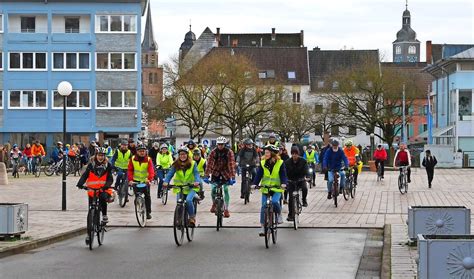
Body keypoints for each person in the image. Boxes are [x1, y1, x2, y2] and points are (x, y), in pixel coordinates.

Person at [76, 147, 114, 245]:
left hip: (103, 189)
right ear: (96, 155)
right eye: (99, 155)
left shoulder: (108, 165)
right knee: (90, 212)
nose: (100, 157)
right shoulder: (91, 165)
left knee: (102, 199)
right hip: (92, 190)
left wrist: (105, 186)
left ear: (104, 156)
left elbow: (110, 179)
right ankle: (89, 234)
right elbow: (85, 176)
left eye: (102, 155)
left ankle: (104, 215)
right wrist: (80, 184)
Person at [252, 145, 288, 236]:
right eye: (265, 152)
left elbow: (283, 174)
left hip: (277, 188)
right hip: (265, 188)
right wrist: (254, 184)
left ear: (272, 154)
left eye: (267, 152)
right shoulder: (263, 162)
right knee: (264, 206)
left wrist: (284, 183)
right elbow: (259, 174)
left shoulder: (280, 163)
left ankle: (279, 215)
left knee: (275, 201)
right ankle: (263, 227)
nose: (265, 154)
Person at [163, 147, 201, 226]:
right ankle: (179, 219)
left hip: (191, 187)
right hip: (179, 188)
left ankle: (192, 218)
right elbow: (170, 174)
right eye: (180, 154)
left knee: (188, 200)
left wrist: (197, 181)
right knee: (179, 203)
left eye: (184, 154)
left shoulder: (193, 163)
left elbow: (196, 174)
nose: (182, 156)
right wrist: (166, 182)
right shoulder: (176, 164)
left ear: (187, 155)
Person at [204, 137, 236, 218]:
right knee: (213, 189)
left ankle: (226, 209)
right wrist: (206, 176)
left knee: (225, 189)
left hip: (226, 173)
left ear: (224, 144)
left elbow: (231, 164)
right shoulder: (213, 152)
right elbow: (210, 164)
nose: (220, 146)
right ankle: (214, 204)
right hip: (216, 173)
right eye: (219, 144)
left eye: (222, 144)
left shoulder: (229, 152)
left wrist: (232, 177)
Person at [128, 144, 155, 219]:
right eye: (140, 151)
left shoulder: (148, 159)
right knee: (137, 196)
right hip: (135, 181)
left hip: (145, 181)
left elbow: (151, 170)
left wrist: (149, 179)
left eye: (143, 151)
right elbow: (130, 170)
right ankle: (138, 206)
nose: (142, 152)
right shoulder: (133, 159)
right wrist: (130, 180)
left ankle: (148, 212)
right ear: (137, 152)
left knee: (147, 196)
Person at [285, 146, 309, 221]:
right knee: (291, 198)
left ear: (298, 154)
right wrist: (286, 180)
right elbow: (285, 172)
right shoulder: (287, 162)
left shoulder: (303, 161)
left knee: (304, 188)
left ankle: (304, 200)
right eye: (293, 154)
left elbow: (306, 170)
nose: (294, 155)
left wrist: (307, 176)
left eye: (296, 154)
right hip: (291, 181)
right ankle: (290, 215)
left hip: (301, 179)